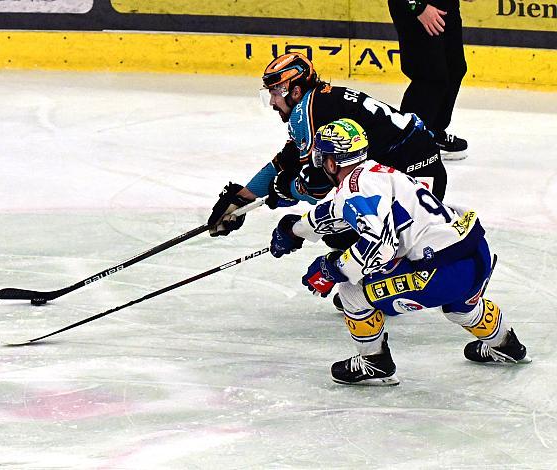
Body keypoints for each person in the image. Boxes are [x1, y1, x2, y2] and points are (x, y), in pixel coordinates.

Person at [269, 118, 530, 385]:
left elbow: (379, 246)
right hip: (475, 251)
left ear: (332, 162)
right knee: (462, 309)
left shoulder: (355, 189)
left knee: (352, 292)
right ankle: (507, 345)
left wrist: (332, 267)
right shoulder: (377, 172)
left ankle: (375, 362)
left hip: (442, 272)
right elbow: (337, 210)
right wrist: (296, 229)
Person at [208, 52, 446, 244]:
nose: (272, 102)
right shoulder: (318, 103)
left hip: (415, 175)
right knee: (344, 231)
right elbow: (286, 160)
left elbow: (316, 186)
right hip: (421, 166)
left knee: (347, 237)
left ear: (296, 90)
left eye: (275, 93)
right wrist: (242, 198)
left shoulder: (306, 112)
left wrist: (282, 192)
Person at [388, 0, 470, 160]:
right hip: (416, 8)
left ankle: (432, 134)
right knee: (429, 76)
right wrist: (418, 7)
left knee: (455, 68)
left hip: (445, 5)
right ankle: (406, 143)